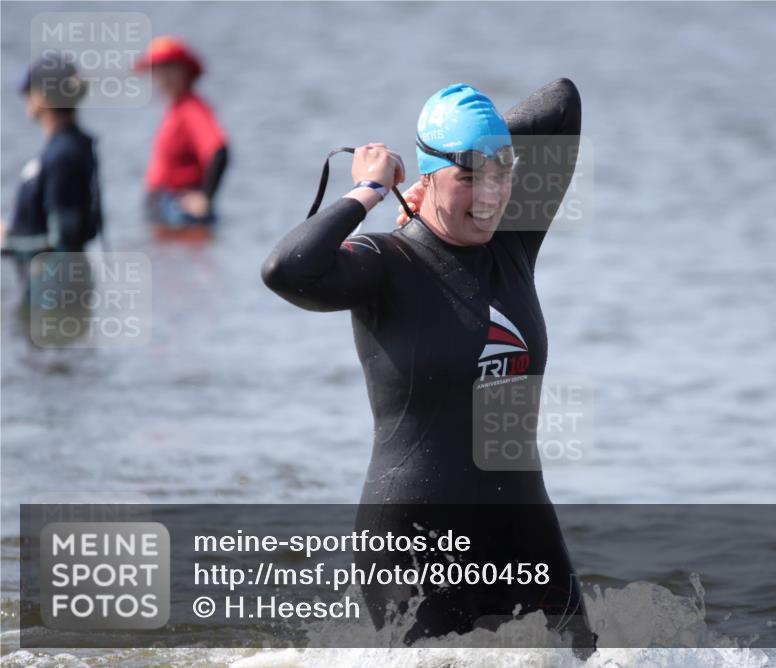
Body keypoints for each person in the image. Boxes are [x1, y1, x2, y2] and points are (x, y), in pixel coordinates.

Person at [261, 79, 594, 656]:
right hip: (415, 540)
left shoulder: (512, 242)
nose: (489, 195)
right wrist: (369, 190)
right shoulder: (384, 264)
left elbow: (563, 104)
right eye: (469, 177)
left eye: (501, 173)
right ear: (430, 173)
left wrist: (480, 145)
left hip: (522, 527)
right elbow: (286, 270)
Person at [1, 53, 103, 308]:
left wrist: (8, 242)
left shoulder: (62, 155)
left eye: (28, 91)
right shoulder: (73, 145)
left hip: (54, 290)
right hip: (58, 287)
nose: (25, 97)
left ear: (43, 97)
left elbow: (64, 242)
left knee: (44, 346)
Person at [134, 36, 228, 241]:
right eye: (156, 69)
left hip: (179, 211)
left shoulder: (191, 109)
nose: (161, 76)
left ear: (185, 71)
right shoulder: (175, 109)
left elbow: (220, 149)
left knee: (185, 268)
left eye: (169, 67)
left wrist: (206, 197)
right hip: (165, 209)